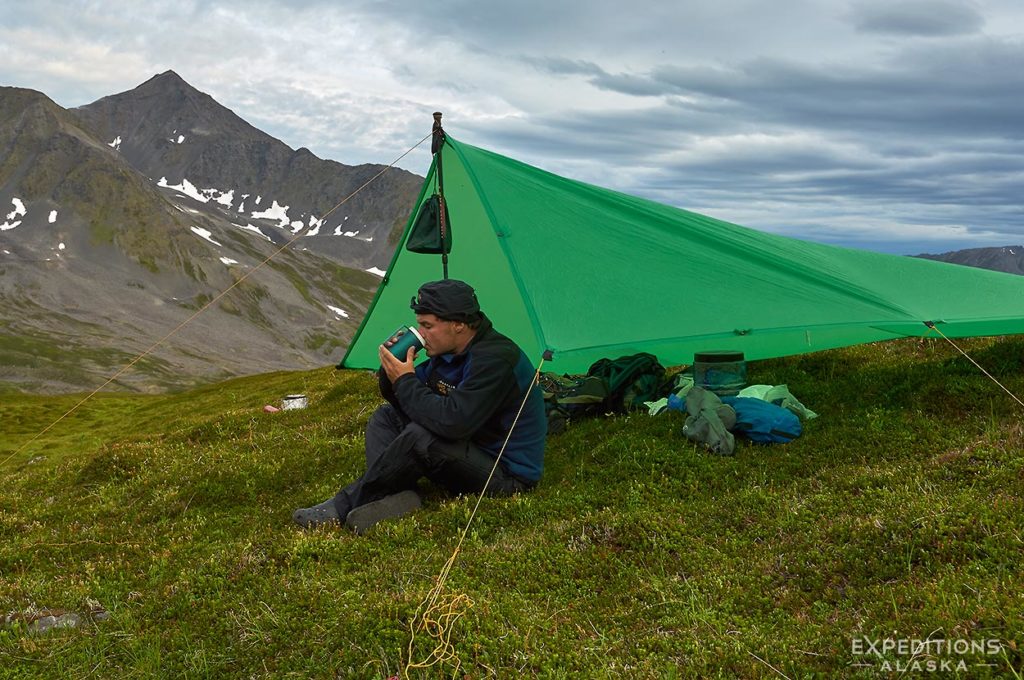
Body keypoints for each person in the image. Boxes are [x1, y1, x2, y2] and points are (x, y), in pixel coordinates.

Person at [293, 279, 547, 533]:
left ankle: (344, 505)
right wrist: (392, 371)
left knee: (422, 437)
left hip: (505, 476)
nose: (421, 333)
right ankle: (398, 497)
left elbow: (453, 423)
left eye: (427, 325)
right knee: (387, 418)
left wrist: (405, 380)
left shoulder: (496, 359)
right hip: (465, 450)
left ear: (458, 324)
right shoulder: (449, 352)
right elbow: (409, 403)